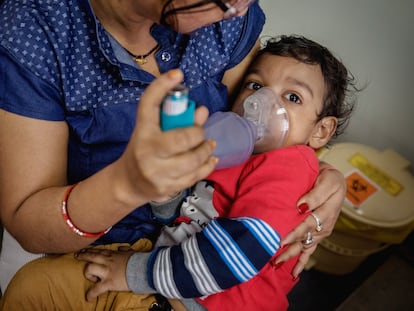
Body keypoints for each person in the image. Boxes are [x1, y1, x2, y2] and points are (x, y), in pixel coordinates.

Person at [0, 0, 344, 302]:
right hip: (153, 255)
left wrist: (318, 174)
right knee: (31, 289)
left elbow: (240, 246)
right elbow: (183, 198)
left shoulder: (229, 23)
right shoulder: (36, 31)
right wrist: (132, 185)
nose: (261, 103)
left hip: (205, 293)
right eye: (255, 87)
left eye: (292, 97)